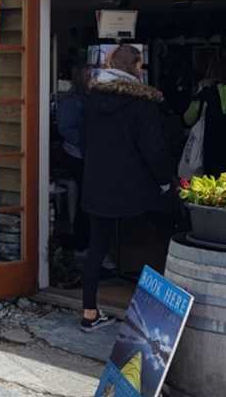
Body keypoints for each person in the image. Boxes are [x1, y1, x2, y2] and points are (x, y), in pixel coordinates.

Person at [80, 45, 175, 332]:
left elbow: (85, 139)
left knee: (96, 247)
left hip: (98, 183)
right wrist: (165, 182)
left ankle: (89, 313)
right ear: (134, 66)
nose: (141, 70)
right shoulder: (141, 102)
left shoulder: (92, 98)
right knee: (159, 241)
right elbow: (153, 149)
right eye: (140, 65)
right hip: (137, 186)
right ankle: (156, 317)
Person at [57, 63, 91, 250]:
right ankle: (80, 240)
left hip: (88, 155)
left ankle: (85, 239)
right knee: (83, 199)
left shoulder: (91, 97)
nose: (91, 77)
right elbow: (65, 129)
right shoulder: (71, 100)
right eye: (87, 74)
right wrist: (87, 141)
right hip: (76, 155)